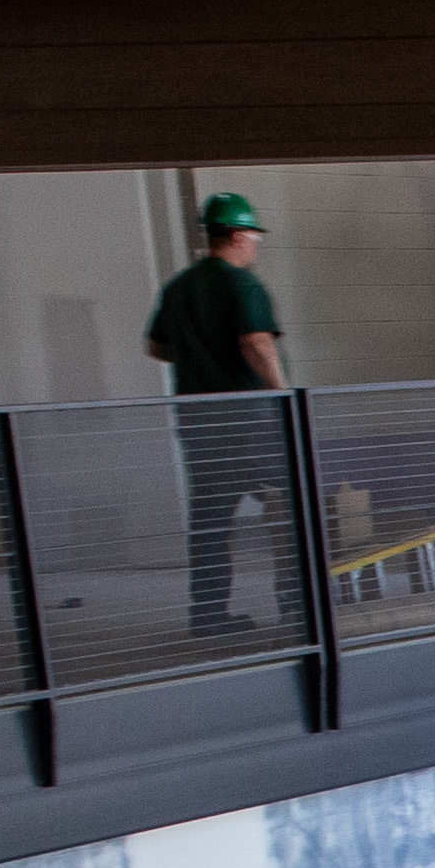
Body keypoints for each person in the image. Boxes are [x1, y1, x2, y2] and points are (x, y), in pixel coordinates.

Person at [142, 191, 294, 639]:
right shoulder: (242, 284)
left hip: (200, 423)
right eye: (253, 236)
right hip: (248, 422)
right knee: (291, 510)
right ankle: (299, 607)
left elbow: (156, 347)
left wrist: (200, 354)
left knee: (210, 522)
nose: (255, 245)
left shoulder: (179, 286)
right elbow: (256, 342)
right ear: (240, 235)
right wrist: (281, 394)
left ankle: (207, 615)